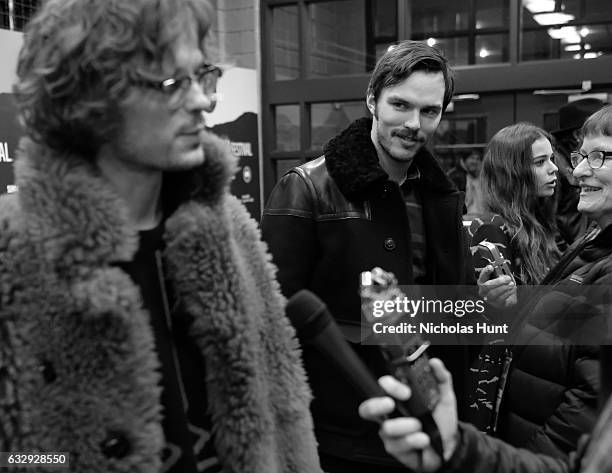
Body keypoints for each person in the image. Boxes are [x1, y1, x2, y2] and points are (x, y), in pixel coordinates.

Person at [0, 1, 321, 472]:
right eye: (171, 83)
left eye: (202, 76)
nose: (201, 101)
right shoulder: (12, 249)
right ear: (90, 97)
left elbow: (283, 401)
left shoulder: (229, 225)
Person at [262, 40, 479, 473]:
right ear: (372, 100)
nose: (414, 124)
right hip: (343, 435)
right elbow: (273, 323)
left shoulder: (439, 196)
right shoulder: (307, 188)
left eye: (430, 111)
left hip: (430, 427)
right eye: (400, 104)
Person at [359, 104, 612, 473]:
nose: (568, 170)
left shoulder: (568, 238)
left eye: (598, 156)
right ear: (516, 173)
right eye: (545, 162)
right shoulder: (498, 230)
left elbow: (579, 387)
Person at [552, 98, 606, 248]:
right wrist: (565, 255)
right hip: (573, 251)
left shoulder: (572, 158)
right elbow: (546, 219)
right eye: (595, 131)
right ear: (578, 134)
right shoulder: (556, 165)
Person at [447, 149, 485, 216]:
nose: (475, 161)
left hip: (481, 217)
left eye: (477, 159)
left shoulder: (482, 177)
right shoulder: (456, 176)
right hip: (465, 217)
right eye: (472, 158)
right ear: (463, 160)